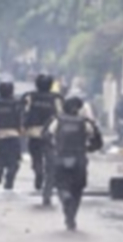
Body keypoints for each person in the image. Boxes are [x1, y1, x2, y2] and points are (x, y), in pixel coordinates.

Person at [44, 96, 103, 230]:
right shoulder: (85, 123)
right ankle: (71, 218)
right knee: (77, 189)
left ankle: (65, 198)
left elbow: (47, 136)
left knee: (61, 185)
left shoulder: (57, 121)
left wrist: (54, 148)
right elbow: (97, 140)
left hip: (61, 157)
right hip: (79, 159)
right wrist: (89, 148)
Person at [21, 74, 64, 205]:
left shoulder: (29, 97)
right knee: (51, 164)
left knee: (36, 158)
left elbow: (23, 112)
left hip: (33, 133)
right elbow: (61, 115)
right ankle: (47, 192)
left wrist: (22, 127)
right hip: (50, 134)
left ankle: (38, 172)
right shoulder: (56, 98)